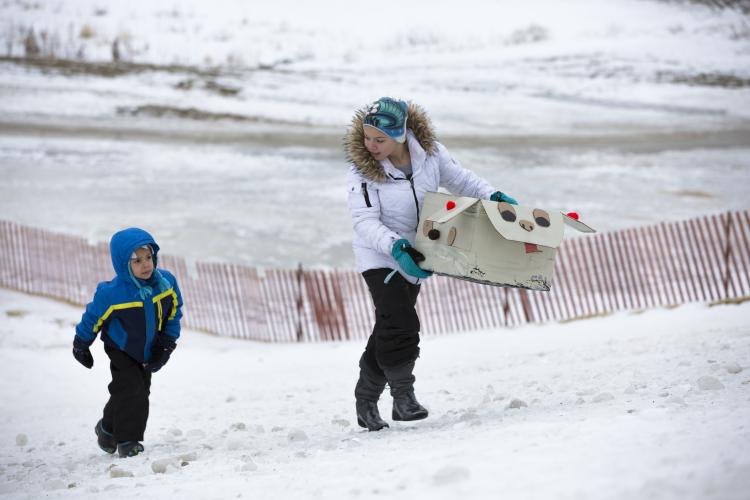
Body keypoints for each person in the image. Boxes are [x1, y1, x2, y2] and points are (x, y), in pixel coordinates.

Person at [344, 97, 518, 431]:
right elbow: (364, 221)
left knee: (389, 327)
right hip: (380, 254)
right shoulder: (362, 171)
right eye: (367, 138)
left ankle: (365, 400)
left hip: (421, 249)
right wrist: (396, 247)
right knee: (401, 323)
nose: (371, 146)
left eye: (379, 139)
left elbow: (463, 180)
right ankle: (403, 398)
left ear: (400, 134)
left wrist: (493, 196)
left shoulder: (430, 153)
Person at [72, 227, 183, 457]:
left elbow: (174, 313)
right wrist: (81, 343)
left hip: (149, 346)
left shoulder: (166, 284)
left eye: (148, 257)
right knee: (133, 390)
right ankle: (128, 441)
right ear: (123, 263)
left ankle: (107, 429)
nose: (145, 264)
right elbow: (93, 317)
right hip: (121, 346)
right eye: (136, 260)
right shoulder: (112, 293)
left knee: (135, 389)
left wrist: (167, 343)